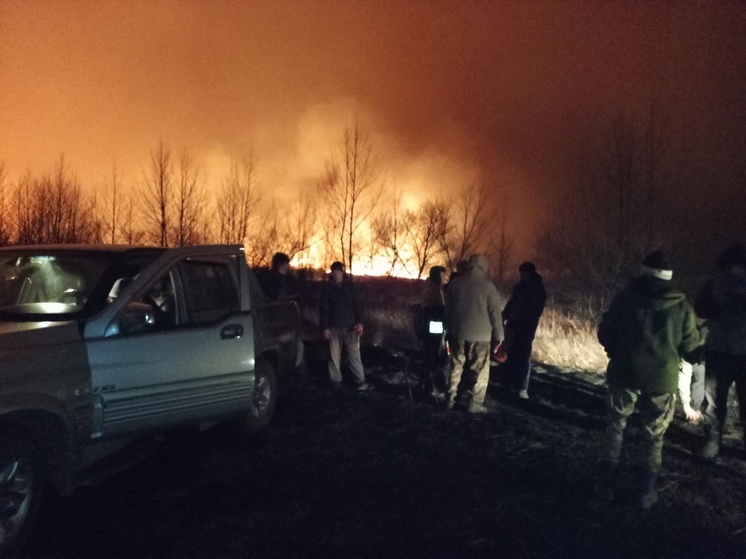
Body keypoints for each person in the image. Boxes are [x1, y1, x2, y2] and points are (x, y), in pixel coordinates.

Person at [596, 250, 700, 509]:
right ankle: (645, 491)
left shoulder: (625, 299)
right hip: (661, 381)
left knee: (615, 427)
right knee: (654, 436)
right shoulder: (681, 306)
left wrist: (616, 352)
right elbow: (691, 348)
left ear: (643, 271)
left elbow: (606, 333)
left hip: (624, 373)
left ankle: (605, 486)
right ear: (669, 277)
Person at [694, 244, 746, 458]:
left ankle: (712, 444)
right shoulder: (716, 285)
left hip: (719, 350)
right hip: (736, 351)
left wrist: (721, 307)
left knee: (715, 401)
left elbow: (700, 309)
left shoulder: (714, 284)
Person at [444, 254, 504, 413]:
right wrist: (499, 336)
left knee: (456, 368)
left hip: (458, 334)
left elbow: (448, 310)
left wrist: (448, 330)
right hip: (481, 337)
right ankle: (474, 403)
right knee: (479, 371)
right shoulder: (488, 286)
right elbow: (495, 314)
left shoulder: (455, 284)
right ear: (484, 267)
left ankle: (450, 399)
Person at [319, 261, 373, 391]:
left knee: (354, 356)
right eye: (334, 272)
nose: (336, 274)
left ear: (342, 272)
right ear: (331, 273)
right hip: (334, 328)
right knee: (334, 357)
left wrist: (360, 323)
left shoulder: (351, 287)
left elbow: (359, 306)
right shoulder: (328, 288)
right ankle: (336, 382)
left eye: (338, 271)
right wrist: (325, 328)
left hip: (351, 328)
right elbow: (324, 309)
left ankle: (360, 382)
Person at [501, 261, 547, 399]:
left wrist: (518, 318)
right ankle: (510, 384)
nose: (521, 276)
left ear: (529, 273)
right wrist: (505, 315)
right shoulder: (520, 287)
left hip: (525, 328)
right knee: (511, 355)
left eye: (523, 273)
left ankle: (522, 388)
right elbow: (512, 303)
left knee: (523, 356)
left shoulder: (538, 289)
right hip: (513, 326)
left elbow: (534, 311)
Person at [418, 265, 449, 397]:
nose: (446, 278)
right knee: (433, 355)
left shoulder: (433, 287)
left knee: (430, 356)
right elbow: (432, 310)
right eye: (443, 275)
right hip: (433, 325)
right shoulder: (432, 289)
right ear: (437, 276)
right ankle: (430, 385)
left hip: (432, 325)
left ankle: (427, 384)